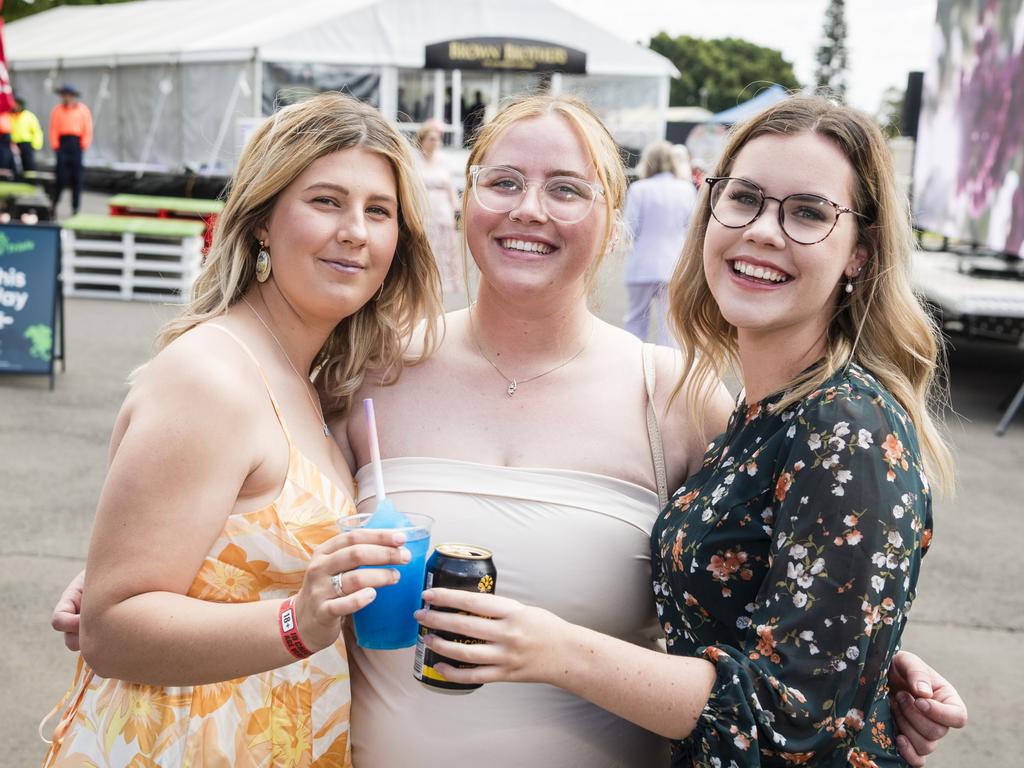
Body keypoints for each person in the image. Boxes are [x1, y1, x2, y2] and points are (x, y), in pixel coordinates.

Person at [52, 94, 965, 768]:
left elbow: (751, 593)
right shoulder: (369, 370)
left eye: (567, 188)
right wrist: (126, 582)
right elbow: (252, 509)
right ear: (466, 205)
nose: (531, 209)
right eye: (505, 182)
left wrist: (873, 664)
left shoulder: (681, 399)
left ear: (612, 220)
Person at [409, 94, 966, 766]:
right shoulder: (757, 417)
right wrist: (864, 644)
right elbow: (770, 620)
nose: (763, 230)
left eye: (809, 213)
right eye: (745, 199)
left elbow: (789, 720)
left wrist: (557, 651)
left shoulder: (846, 423)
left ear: (859, 253)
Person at [41, 91, 443, 767]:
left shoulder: (313, 378)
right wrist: (299, 620)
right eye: (326, 201)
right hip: (184, 744)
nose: (356, 231)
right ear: (261, 221)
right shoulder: (211, 377)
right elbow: (110, 631)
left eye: (379, 211)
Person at [623, 140, 697, 345]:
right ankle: (669, 371)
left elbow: (630, 228)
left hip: (642, 264)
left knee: (635, 320)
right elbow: (691, 227)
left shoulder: (638, 189)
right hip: (673, 264)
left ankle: (633, 365)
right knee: (670, 324)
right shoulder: (686, 189)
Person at [416, 119, 463, 294]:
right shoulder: (415, 161)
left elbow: (450, 185)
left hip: (442, 209)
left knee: (446, 245)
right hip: (424, 208)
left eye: (437, 139)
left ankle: (446, 283)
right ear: (423, 140)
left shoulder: (443, 160)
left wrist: (454, 208)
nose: (435, 142)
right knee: (425, 245)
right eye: (431, 139)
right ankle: (424, 281)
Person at [49, 84, 93, 215]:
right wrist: (55, 145)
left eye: (69, 95)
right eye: (64, 95)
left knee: (77, 178)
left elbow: (88, 128)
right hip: (63, 144)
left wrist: (84, 144)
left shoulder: (82, 110)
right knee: (60, 177)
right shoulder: (57, 110)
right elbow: (53, 128)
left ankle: (75, 207)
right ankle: (54, 204)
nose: (66, 98)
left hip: (76, 144)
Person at [11, 96, 44, 175]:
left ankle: (31, 183)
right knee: (14, 167)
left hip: (26, 144)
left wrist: (36, 145)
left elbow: (37, 131)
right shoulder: (10, 116)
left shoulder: (29, 116)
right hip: (13, 145)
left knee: (29, 165)